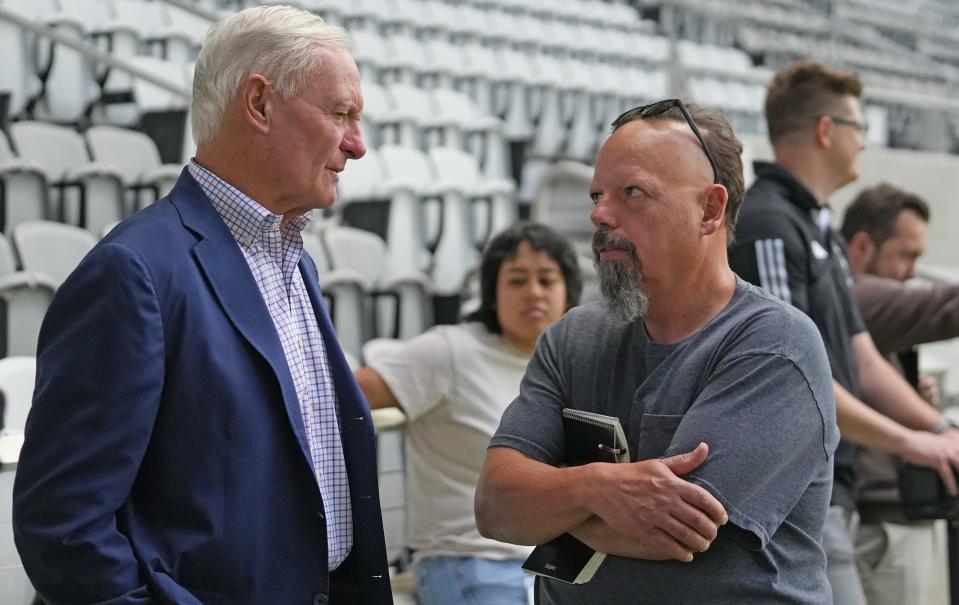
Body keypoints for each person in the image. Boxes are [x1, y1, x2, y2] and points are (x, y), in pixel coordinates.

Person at [12, 6, 392, 604]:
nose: (357, 144)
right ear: (260, 104)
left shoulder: (296, 262)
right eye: (341, 114)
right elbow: (63, 527)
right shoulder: (132, 271)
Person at [475, 99, 839, 604]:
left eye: (633, 193)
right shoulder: (570, 337)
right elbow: (495, 507)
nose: (600, 214)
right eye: (598, 194)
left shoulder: (774, 344)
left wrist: (553, 501)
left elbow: (670, 534)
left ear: (710, 209)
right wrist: (599, 487)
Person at [728, 61, 959, 605]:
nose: (864, 142)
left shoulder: (818, 230)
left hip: (836, 488)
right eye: (859, 128)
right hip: (797, 488)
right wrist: (914, 443)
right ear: (827, 131)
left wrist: (938, 427)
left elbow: (863, 360)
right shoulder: (769, 226)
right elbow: (793, 379)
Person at [355, 222, 582, 604]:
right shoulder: (449, 351)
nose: (533, 292)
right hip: (468, 561)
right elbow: (342, 395)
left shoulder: (572, 364)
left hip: (557, 564)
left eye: (547, 279)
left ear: (568, 292)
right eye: (516, 280)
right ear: (492, 292)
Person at [840, 183, 959, 605]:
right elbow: (940, 307)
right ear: (861, 246)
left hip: (900, 517)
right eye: (906, 255)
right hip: (885, 527)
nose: (912, 272)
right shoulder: (855, 294)